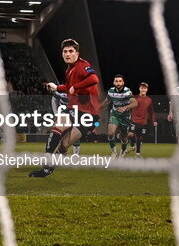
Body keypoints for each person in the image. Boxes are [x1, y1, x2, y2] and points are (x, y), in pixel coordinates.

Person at [31, 38, 99, 177]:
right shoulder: (69, 69)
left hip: (89, 114)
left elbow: (94, 79)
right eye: (65, 51)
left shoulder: (82, 65)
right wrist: (57, 87)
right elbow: (68, 88)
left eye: (71, 51)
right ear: (62, 54)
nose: (67, 54)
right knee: (56, 129)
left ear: (77, 53)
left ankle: (52, 163)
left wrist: (76, 87)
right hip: (73, 109)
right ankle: (46, 168)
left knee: (64, 145)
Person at [100, 74, 137, 156]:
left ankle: (123, 151)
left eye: (120, 81)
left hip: (125, 116)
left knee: (124, 137)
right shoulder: (111, 91)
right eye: (116, 81)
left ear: (123, 82)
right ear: (114, 83)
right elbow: (106, 101)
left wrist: (125, 107)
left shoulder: (127, 92)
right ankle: (114, 152)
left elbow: (135, 103)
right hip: (115, 114)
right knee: (110, 133)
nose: (118, 83)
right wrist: (97, 108)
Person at [128, 82, 157, 157]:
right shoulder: (135, 98)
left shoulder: (149, 100)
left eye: (145, 88)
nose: (143, 89)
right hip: (134, 120)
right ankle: (132, 146)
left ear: (147, 89)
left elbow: (151, 111)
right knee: (130, 135)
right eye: (142, 88)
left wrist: (153, 121)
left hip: (143, 122)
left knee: (139, 138)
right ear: (139, 89)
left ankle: (138, 153)